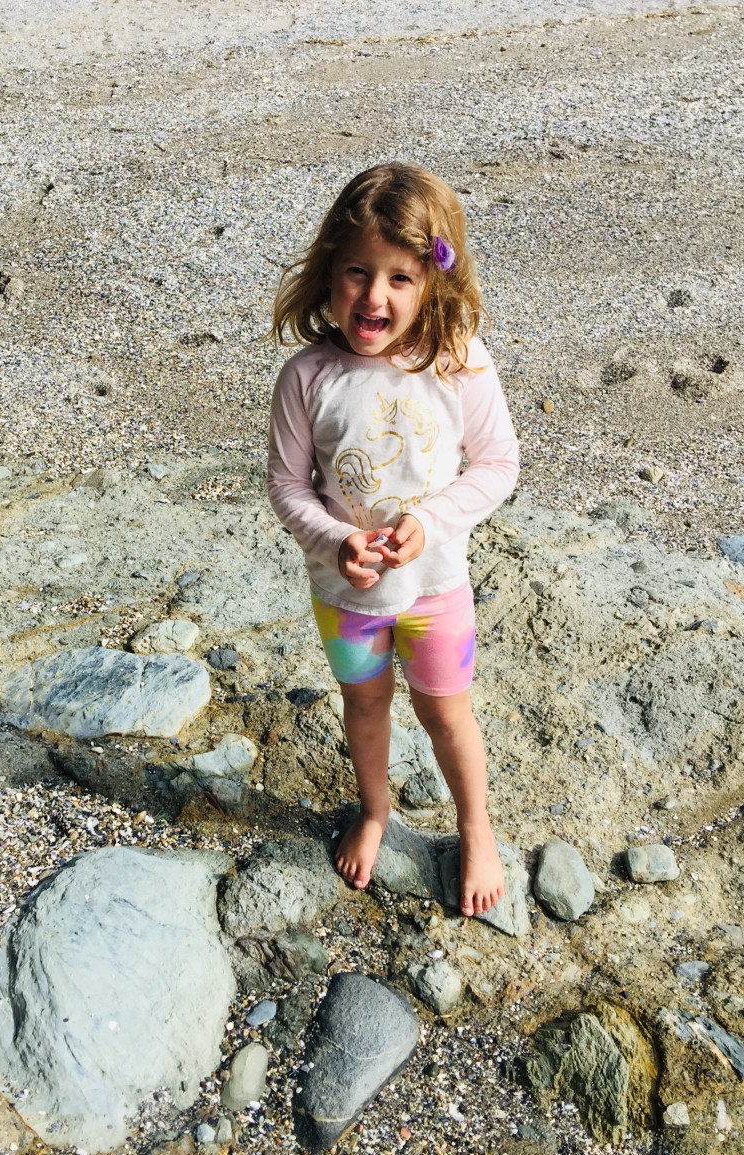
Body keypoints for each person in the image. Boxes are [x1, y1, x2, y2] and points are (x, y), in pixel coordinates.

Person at [267, 161, 519, 916]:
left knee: (447, 713)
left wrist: (431, 521)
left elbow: (498, 464)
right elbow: (286, 486)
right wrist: (335, 540)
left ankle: (475, 826)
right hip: (344, 597)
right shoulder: (308, 376)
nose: (374, 296)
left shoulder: (458, 360)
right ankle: (375, 809)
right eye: (357, 272)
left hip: (436, 590)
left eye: (400, 278)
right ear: (329, 271)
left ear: (432, 281)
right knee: (365, 703)